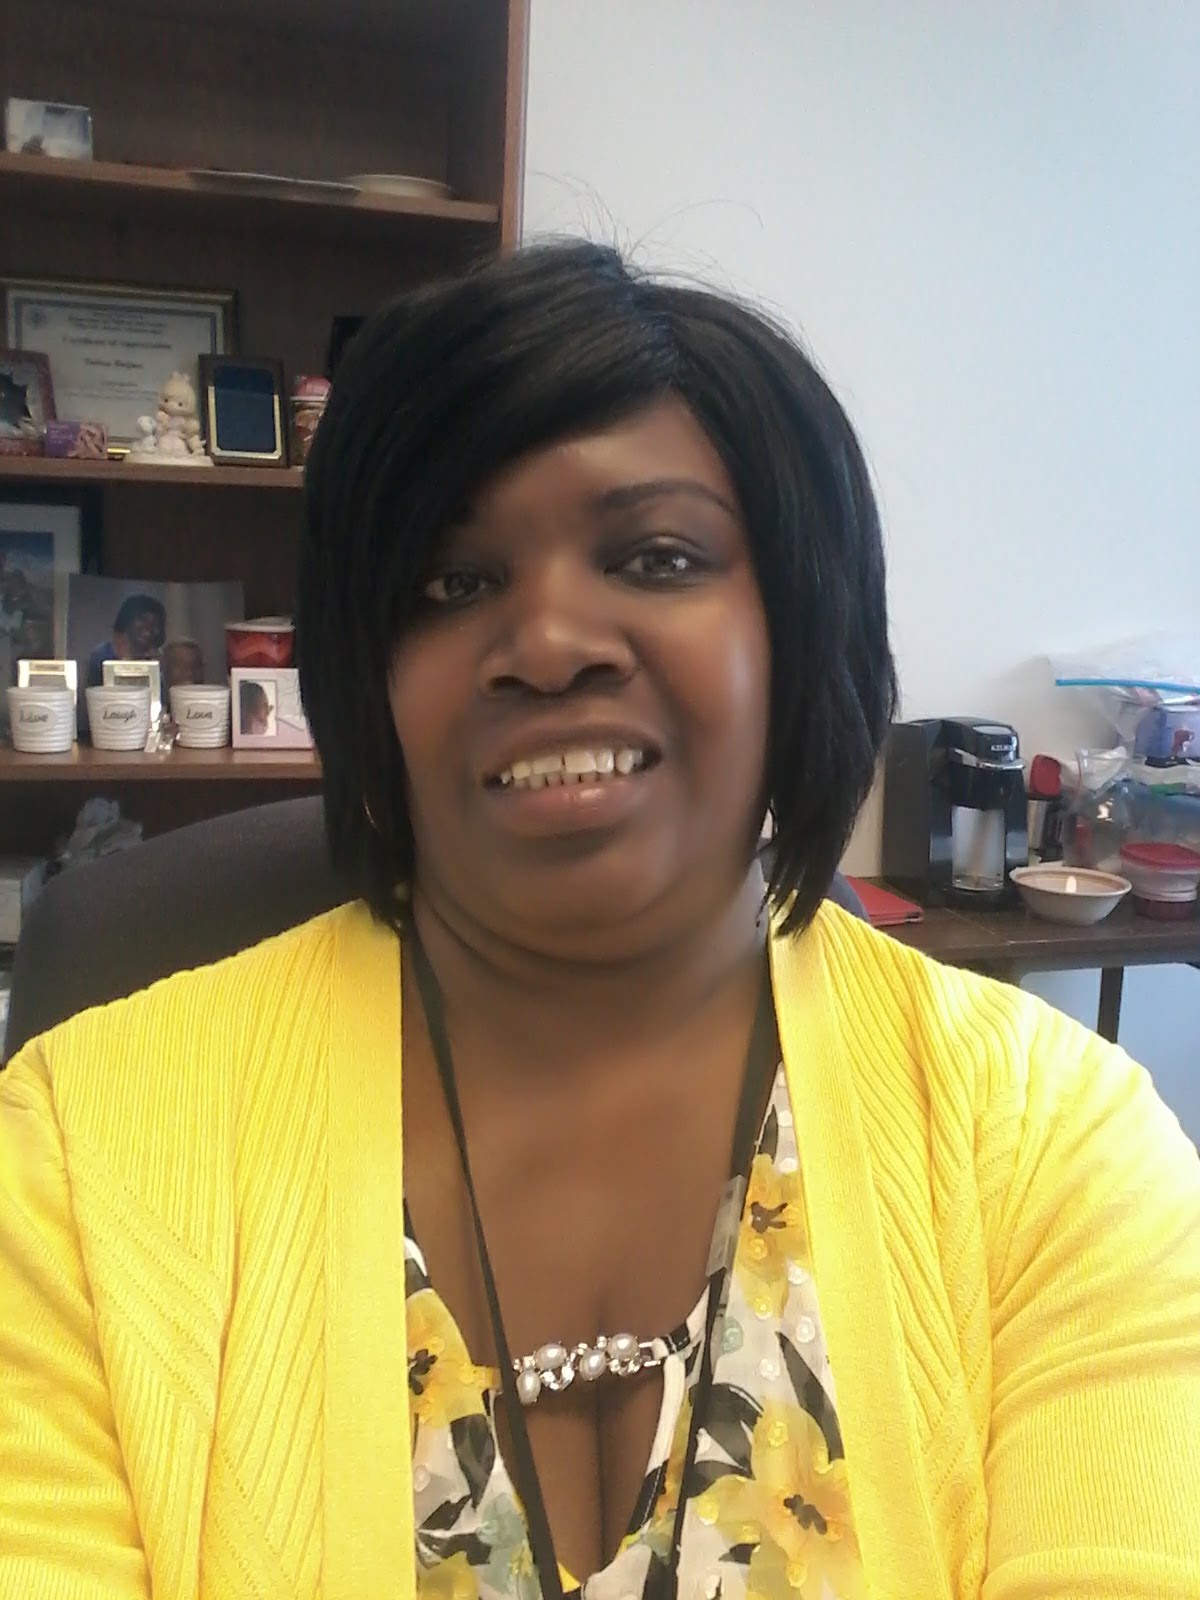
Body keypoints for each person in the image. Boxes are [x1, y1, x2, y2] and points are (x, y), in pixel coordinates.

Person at [1, 241, 1198, 1600]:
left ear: (796, 627)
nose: (552, 642)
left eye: (657, 556)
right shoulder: (74, 1166)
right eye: (452, 583)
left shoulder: (1058, 1150)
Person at [84, 592, 166, 688]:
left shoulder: (156, 661)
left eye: (156, 624)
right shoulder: (101, 656)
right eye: (143, 619)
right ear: (127, 620)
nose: (149, 627)